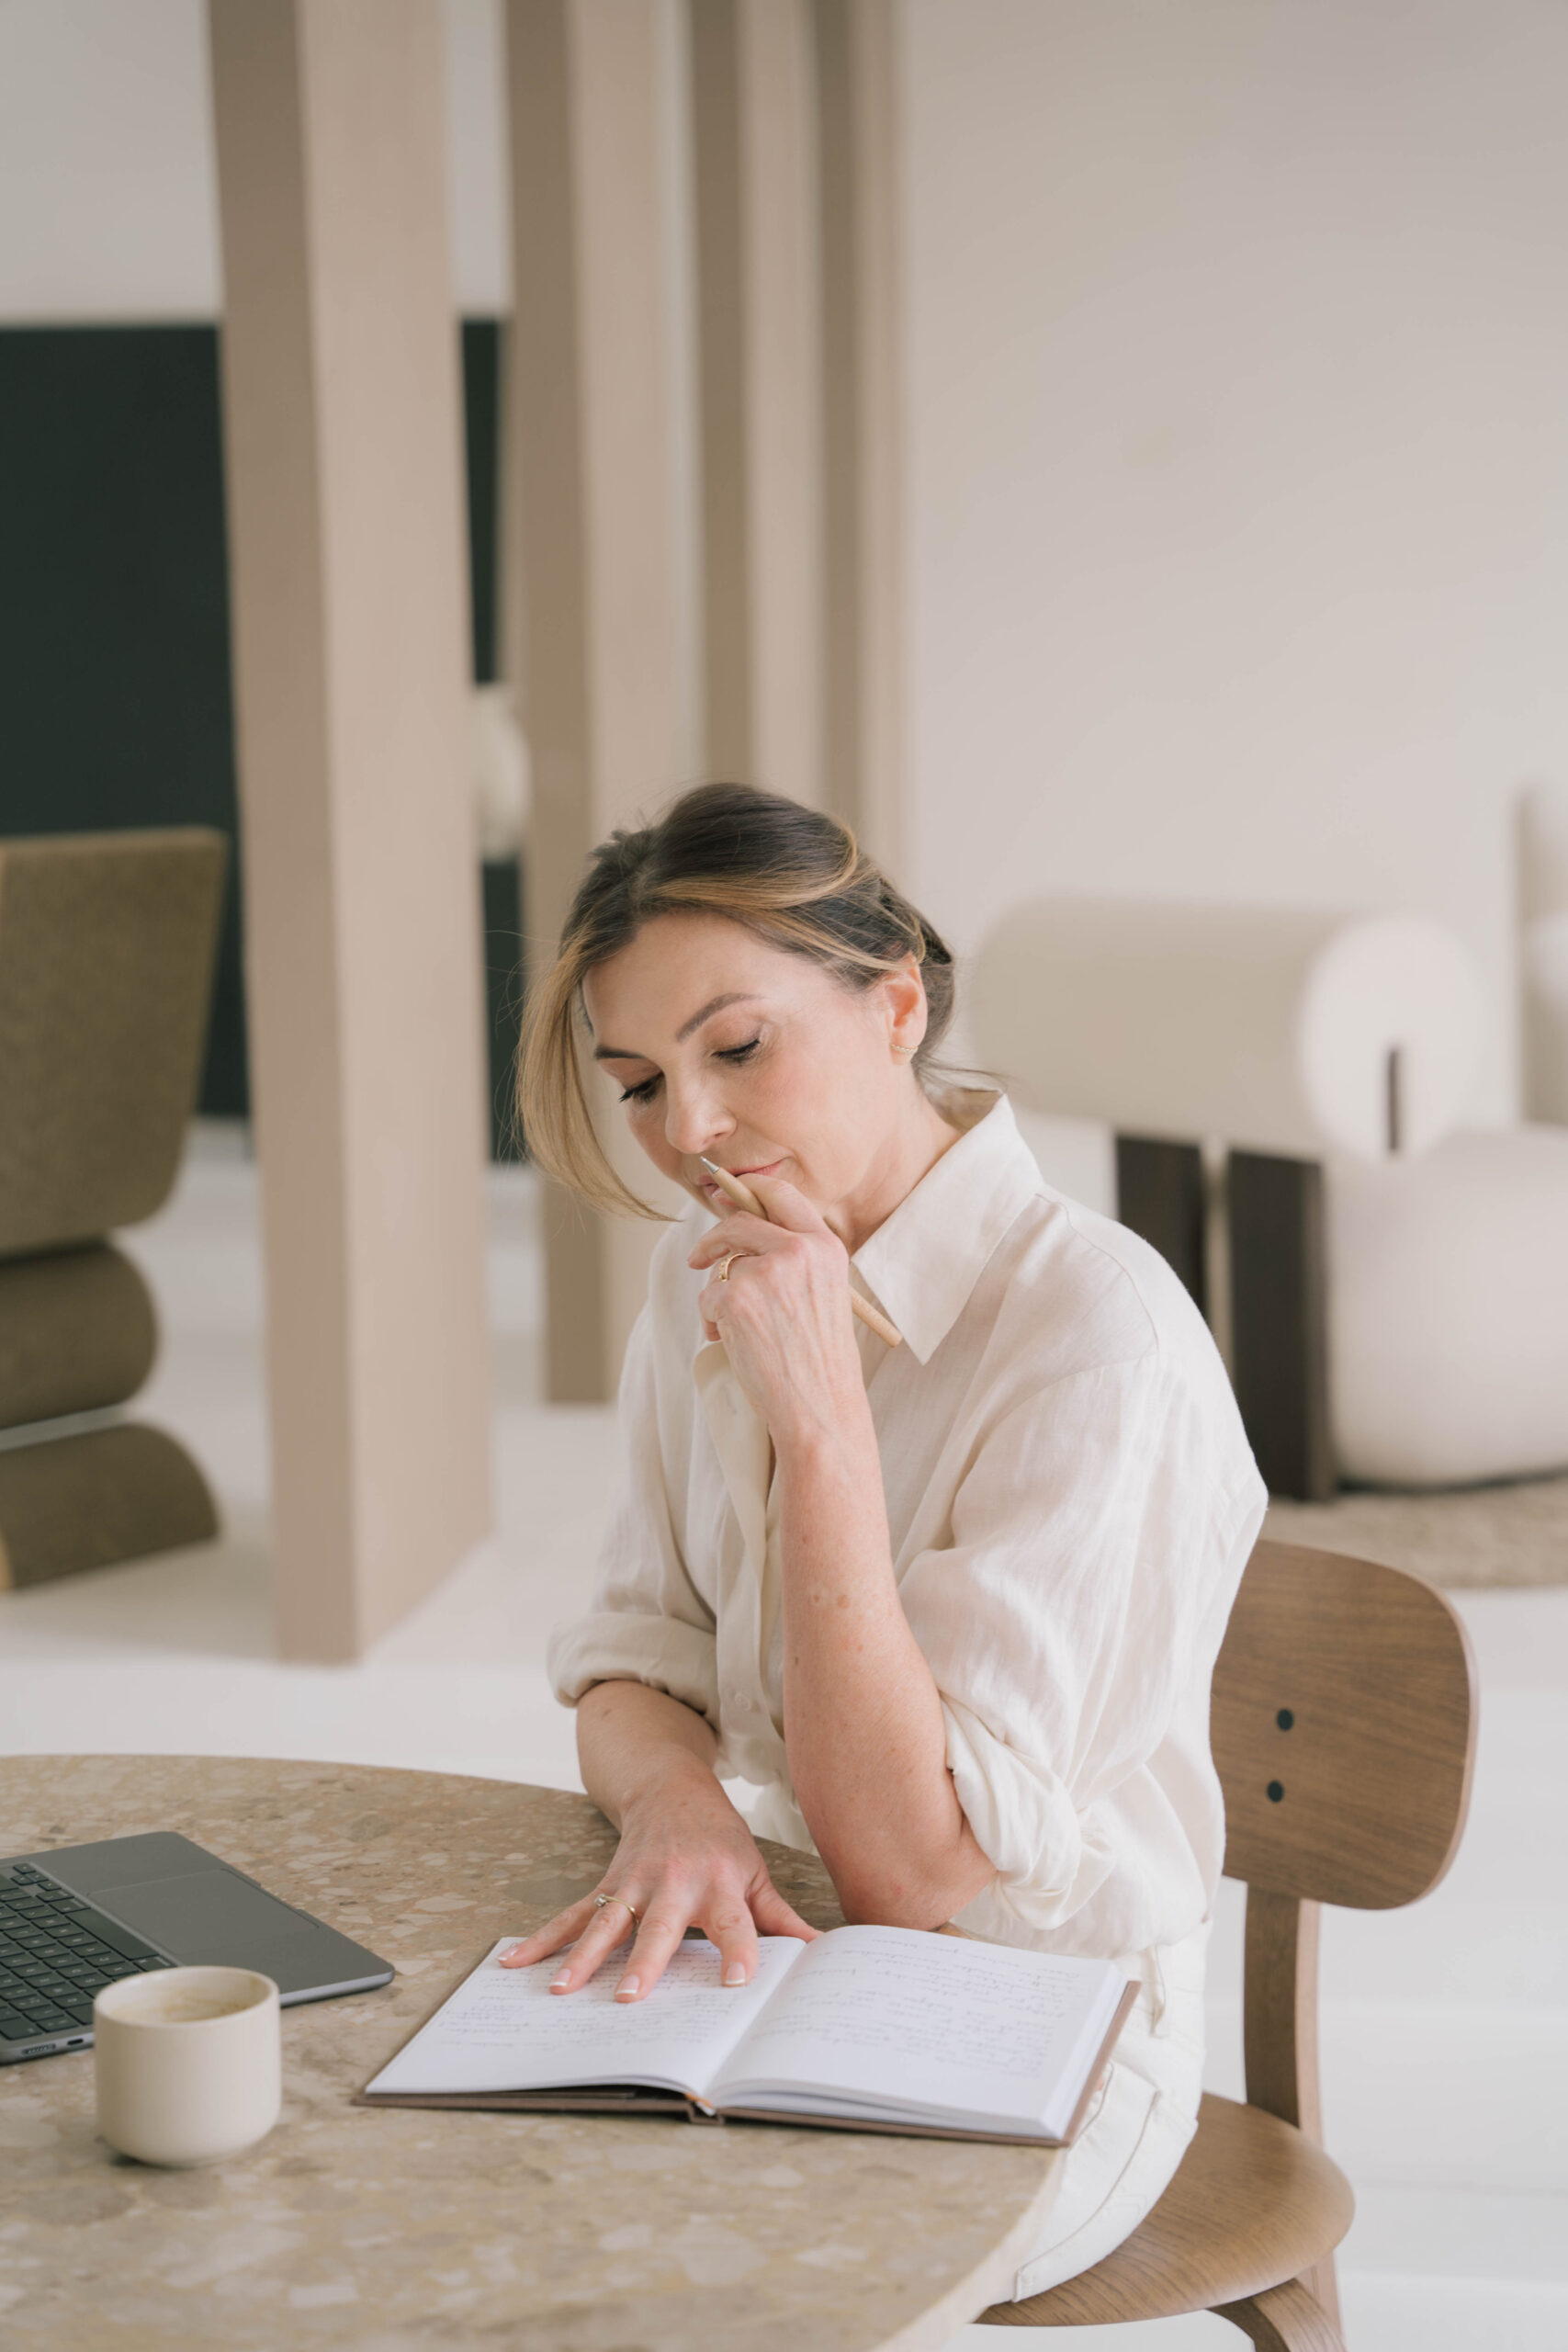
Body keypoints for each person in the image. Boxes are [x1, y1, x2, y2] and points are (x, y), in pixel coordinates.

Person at [503, 783, 1266, 2299]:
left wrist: (824, 1425)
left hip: (1051, 2020)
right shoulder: (702, 1269)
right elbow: (633, 1663)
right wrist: (679, 1805)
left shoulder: (1098, 1334)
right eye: (640, 1082)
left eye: (738, 1047)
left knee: (685, 2280)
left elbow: (914, 1869)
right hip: (791, 1953)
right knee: (487, 2200)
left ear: (898, 1006)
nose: (688, 1132)